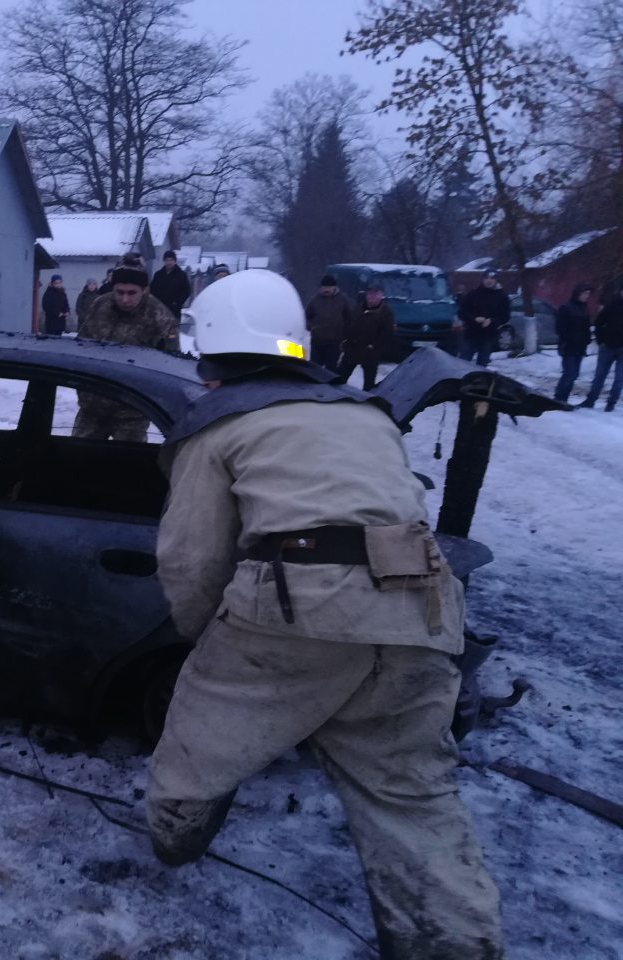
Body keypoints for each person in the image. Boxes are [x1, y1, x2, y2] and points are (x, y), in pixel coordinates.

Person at [146, 269, 503, 958]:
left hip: (296, 603)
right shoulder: (362, 412)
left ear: (209, 355)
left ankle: (175, 838)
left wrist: (206, 646)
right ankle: (453, 943)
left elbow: (190, 562)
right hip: (421, 606)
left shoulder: (217, 427)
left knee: (198, 733)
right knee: (410, 795)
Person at [73, 259, 178, 440]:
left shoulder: (161, 318)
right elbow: (81, 346)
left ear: (144, 290)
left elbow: (171, 366)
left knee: (127, 465)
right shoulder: (100, 306)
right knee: (75, 460)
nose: (125, 299)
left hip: (132, 412)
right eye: (119, 292)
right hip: (93, 406)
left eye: (132, 293)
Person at [339, 283, 395, 391]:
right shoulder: (358, 307)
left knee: (369, 385)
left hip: (370, 354)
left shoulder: (386, 313)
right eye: (370, 294)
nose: (372, 297)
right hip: (352, 350)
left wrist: (375, 347)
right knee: (340, 379)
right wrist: (346, 340)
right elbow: (348, 324)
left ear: (381, 295)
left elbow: (387, 334)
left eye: (375, 294)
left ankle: (367, 404)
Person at [580, 280, 623, 411]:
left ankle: (611, 403)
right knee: (599, 375)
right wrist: (601, 340)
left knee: (619, 378)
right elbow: (598, 323)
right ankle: (590, 400)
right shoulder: (611, 306)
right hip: (607, 347)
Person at [304, 274, 354, 373]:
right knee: (315, 368)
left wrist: (345, 335)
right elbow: (306, 316)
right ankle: (314, 388)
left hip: (335, 342)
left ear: (334, 287)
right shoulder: (315, 299)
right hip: (317, 341)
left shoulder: (342, 300)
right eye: (324, 287)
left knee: (331, 369)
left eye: (328, 287)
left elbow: (349, 319)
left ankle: (328, 388)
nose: (326, 289)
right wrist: (311, 326)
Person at [458, 270, 510, 367]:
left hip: (488, 336)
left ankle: (479, 381)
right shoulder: (473, 294)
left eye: (492, 278)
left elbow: (505, 316)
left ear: (496, 280)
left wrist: (491, 321)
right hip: (471, 334)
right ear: (482, 279)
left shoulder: (501, 296)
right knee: (463, 363)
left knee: (482, 365)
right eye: (486, 278)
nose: (488, 281)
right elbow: (461, 313)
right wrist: (474, 319)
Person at [553, 283, 594, 403]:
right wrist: (572, 338)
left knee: (574, 374)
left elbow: (586, 327)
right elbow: (560, 328)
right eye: (585, 293)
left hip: (580, 347)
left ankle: (564, 398)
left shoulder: (584, 308)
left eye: (588, 293)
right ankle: (559, 398)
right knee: (569, 373)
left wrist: (587, 338)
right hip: (568, 346)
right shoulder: (566, 307)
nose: (587, 296)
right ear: (578, 293)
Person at [150, 250, 192, 322]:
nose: (169, 262)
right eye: (167, 260)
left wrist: (177, 303)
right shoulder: (158, 275)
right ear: (164, 261)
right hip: (159, 310)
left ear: (175, 261)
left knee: (172, 332)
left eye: (171, 260)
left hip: (174, 311)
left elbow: (186, 291)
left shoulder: (181, 275)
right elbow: (152, 290)